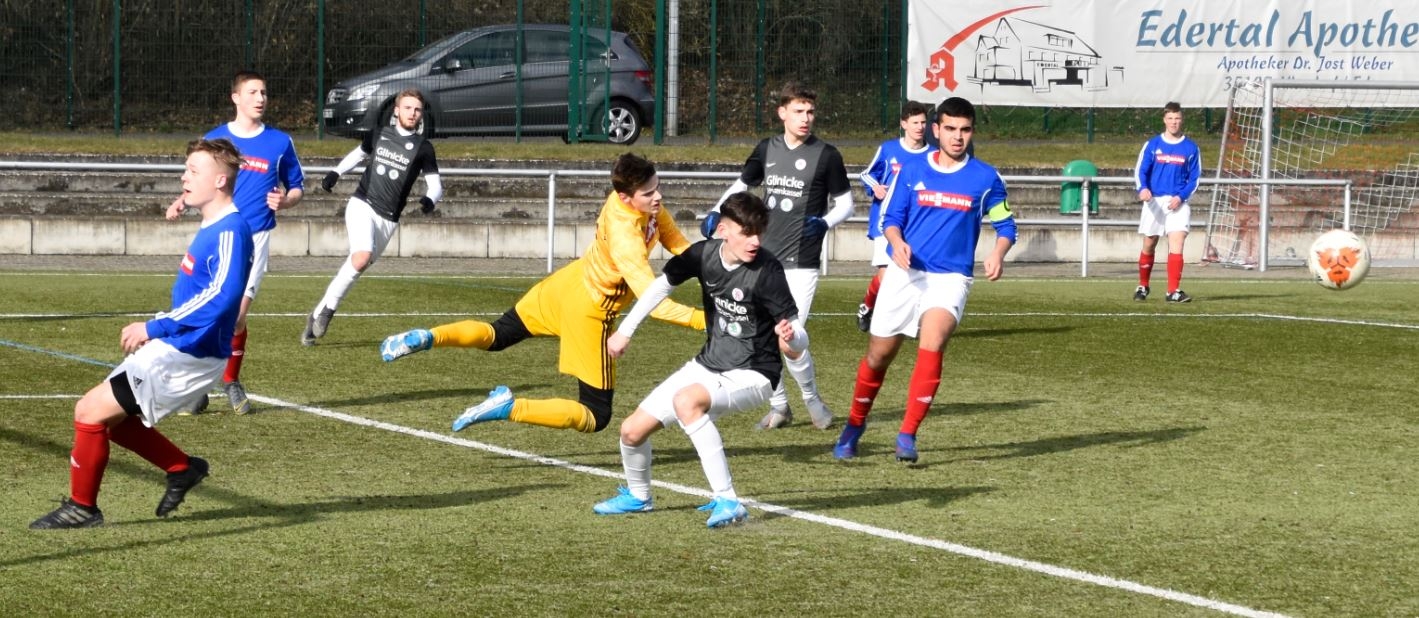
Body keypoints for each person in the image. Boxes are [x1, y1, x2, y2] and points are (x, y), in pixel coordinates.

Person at [380, 153, 705, 435]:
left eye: (657, 187)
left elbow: (676, 242)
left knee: (498, 334)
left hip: (567, 283)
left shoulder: (635, 202)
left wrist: (712, 263)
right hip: (589, 310)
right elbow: (652, 302)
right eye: (649, 193)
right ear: (625, 197)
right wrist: (704, 320)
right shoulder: (626, 240)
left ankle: (427, 337)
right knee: (596, 415)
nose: (658, 197)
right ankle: (510, 407)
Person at [30, 139, 254, 529]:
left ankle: (83, 508)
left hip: (191, 354)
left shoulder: (231, 230)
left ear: (220, 181)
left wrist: (154, 326)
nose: (184, 177)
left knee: (89, 412)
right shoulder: (215, 224)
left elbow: (222, 298)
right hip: (178, 345)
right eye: (185, 169)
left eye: (193, 171)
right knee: (111, 419)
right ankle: (182, 468)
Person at [591, 192, 805, 528]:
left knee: (686, 401)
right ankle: (639, 496)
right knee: (631, 432)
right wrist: (625, 331)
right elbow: (660, 287)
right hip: (708, 365)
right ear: (723, 230)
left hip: (755, 374)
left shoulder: (768, 270)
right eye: (747, 233)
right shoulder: (703, 255)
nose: (755, 241)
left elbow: (798, 338)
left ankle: (728, 500)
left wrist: (791, 337)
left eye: (759, 233)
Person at [832, 97, 1016, 464]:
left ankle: (907, 434)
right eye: (950, 129)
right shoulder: (912, 169)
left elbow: (1006, 224)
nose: (957, 136)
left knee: (933, 342)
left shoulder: (986, 178)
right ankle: (854, 425)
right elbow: (890, 219)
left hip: (951, 278)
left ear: (972, 132)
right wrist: (897, 242)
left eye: (965, 130)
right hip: (905, 273)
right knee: (879, 355)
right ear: (936, 130)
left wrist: (998, 252)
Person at [700, 81, 853, 431]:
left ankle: (812, 399)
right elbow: (742, 185)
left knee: (789, 337)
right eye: (798, 111)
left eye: (810, 111)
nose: (806, 118)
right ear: (782, 112)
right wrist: (717, 211)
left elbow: (846, 204)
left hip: (801, 262)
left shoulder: (827, 155)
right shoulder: (766, 149)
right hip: (762, 260)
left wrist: (825, 223)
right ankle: (780, 406)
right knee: (760, 337)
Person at [166, 70, 305, 414]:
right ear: (236, 98)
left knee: (237, 315)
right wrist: (181, 200)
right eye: (253, 92)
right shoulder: (215, 140)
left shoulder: (279, 142)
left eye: (264, 92)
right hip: (215, 235)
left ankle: (230, 380)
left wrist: (286, 201)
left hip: (253, 238)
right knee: (205, 309)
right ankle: (199, 384)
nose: (261, 98)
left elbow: (297, 187)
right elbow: (199, 178)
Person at [302, 89, 441, 345]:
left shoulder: (424, 148)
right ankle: (329, 310)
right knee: (361, 256)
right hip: (362, 204)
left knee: (357, 265)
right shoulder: (378, 133)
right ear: (396, 110)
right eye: (407, 108)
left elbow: (436, 184)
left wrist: (429, 199)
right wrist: (335, 173)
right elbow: (358, 154)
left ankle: (317, 314)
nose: (412, 113)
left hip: (388, 219)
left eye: (417, 109)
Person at [854, 100, 933, 332]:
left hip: (915, 224)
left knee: (915, 273)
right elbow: (866, 174)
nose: (920, 127)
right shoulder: (889, 149)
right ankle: (867, 306)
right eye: (915, 122)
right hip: (884, 221)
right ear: (903, 124)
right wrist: (876, 187)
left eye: (923, 122)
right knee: (886, 274)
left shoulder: (932, 154)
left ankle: (911, 321)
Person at [1133, 101, 1202, 303]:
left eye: (1177, 118)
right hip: (1154, 201)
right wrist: (1143, 188)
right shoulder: (1153, 144)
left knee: (1177, 242)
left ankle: (1173, 291)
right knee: (1149, 243)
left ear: (1182, 120)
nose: (1174, 122)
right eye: (1170, 118)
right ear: (1164, 120)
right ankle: (1143, 285)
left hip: (1178, 203)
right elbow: (1141, 171)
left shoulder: (1191, 148)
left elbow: (1194, 179)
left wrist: (1181, 197)